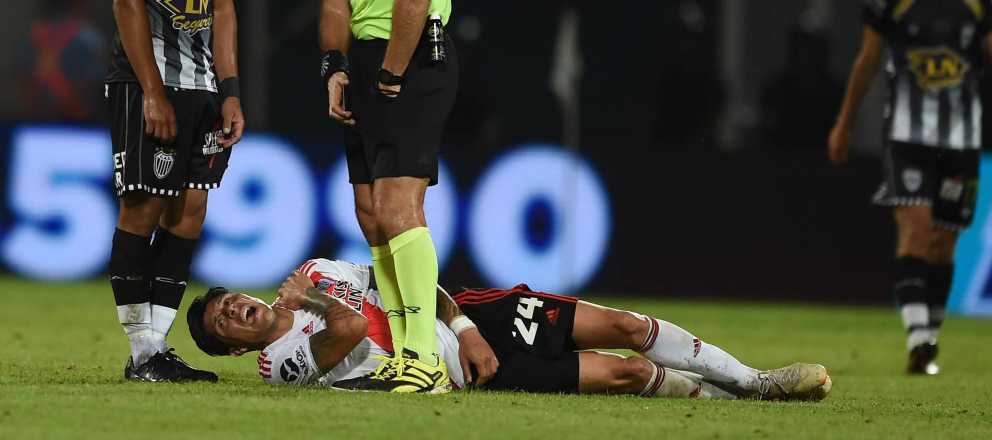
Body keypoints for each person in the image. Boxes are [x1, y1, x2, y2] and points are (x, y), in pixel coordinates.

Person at [186, 258, 833, 401]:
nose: (234, 310)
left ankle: (757, 380)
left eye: (228, 301)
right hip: (465, 374)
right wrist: (318, 304)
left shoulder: (320, 268)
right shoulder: (281, 366)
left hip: (476, 319)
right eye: (224, 324)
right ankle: (730, 401)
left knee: (626, 326)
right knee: (629, 373)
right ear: (238, 351)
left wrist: (464, 323)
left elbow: (410, 281)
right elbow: (353, 324)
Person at [828, 0, 992, 374]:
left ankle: (928, 336)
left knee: (943, 243)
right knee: (915, 228)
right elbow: (867, 60)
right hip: (906, 135)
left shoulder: (982, 4)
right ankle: (918, 340)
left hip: (961, 137)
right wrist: (844, 122)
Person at [318, 0, 458, 392]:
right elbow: (334, 6)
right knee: (372, 216)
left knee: (396, 208)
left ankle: (424, 359)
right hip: (363, 61)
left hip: (409, 53)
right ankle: (401, 356)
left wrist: (392, 70)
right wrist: (335, 65)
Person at [106, 0, 246, 382]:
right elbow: (128, 6)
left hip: (205, 87)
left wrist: (230, 91)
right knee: (143, 208)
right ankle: (142, 352)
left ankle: (156, 348)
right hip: (146, 83)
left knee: (190, 211)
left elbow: (223, 11)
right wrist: (152, 92)